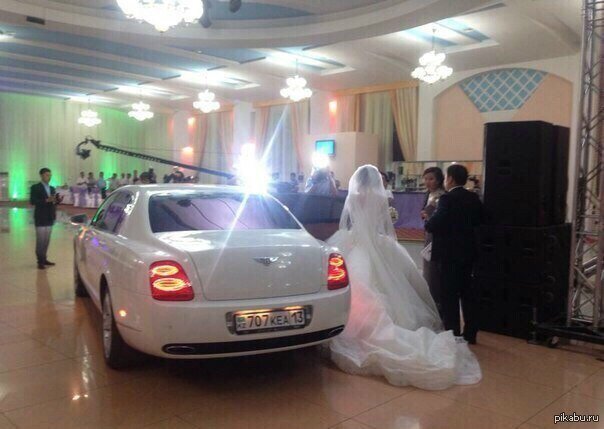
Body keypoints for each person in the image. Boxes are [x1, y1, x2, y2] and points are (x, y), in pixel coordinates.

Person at [327, 165, 481, 389]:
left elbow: (350, 219)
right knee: (395, 282)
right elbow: (384, 223)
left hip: (357, 241)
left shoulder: (355, 196)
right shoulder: (380, 197)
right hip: (378, 242)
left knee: (359, 282)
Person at [425, 164, 483, 344]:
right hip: (468, 251)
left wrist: (428, 219)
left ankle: (453, 333)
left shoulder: (447, 199)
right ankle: (471, 333)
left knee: (449, 294)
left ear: (450, 179)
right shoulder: (473, 197)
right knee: (467, 293)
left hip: (448, 253)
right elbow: (481, 220)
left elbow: (434, 224)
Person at [420, 167, 446, 311]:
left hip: (438, 235)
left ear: (439, 180)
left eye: (431, 179)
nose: (428, 182)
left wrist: (428, 214)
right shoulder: (428, 194)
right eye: (426, 178)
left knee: (434, 268)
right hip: (428, 233)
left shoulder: (442, 196)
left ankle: (437, 301)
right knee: (428, 266)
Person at [30, 168, 62, 270]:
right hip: (40, 217)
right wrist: (46, 200)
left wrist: (57, 200)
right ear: (41, 175)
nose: (49, 177)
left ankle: (44, 258)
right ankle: (40, 261)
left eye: (50, 175)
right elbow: (32, 201)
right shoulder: (35, 187)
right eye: (47, 175)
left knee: (46, 240)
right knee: (40, 241)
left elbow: (53, 202)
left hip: (49, 216)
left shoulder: (52, 188)